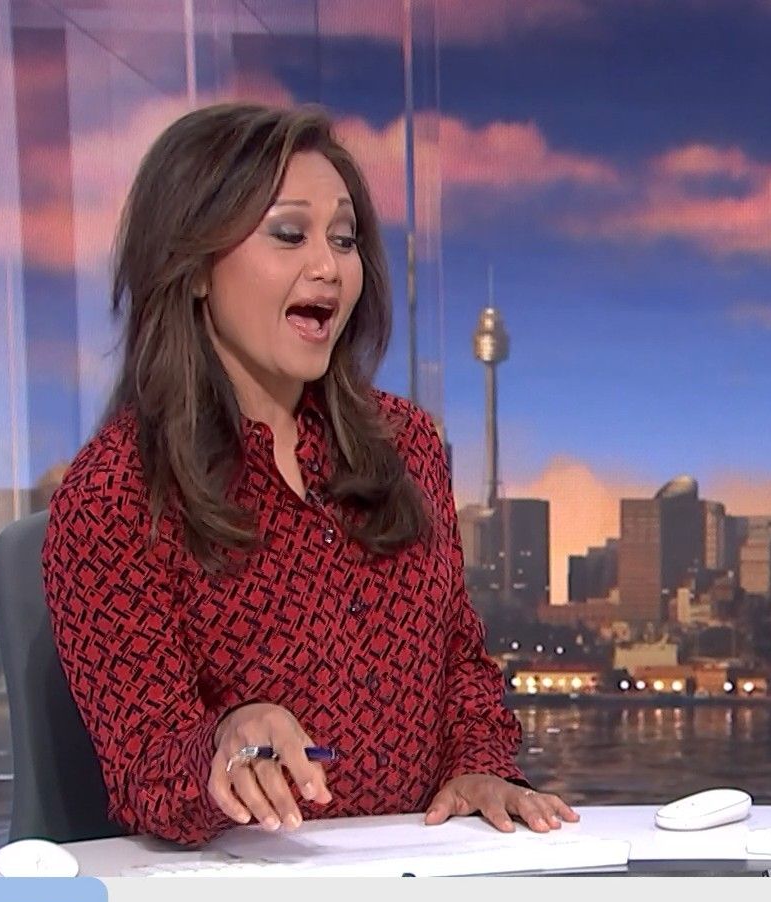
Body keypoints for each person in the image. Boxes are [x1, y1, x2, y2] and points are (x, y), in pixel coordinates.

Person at [43, 102, 577, 845]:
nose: (329, 267)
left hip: (420, 884)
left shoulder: (407, 446)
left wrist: (480, 769)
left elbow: (459, 664)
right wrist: (225, 740)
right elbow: (146, 773)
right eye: (289, 234)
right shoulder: (115, 494)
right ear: (194, 267)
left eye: (345, 239)